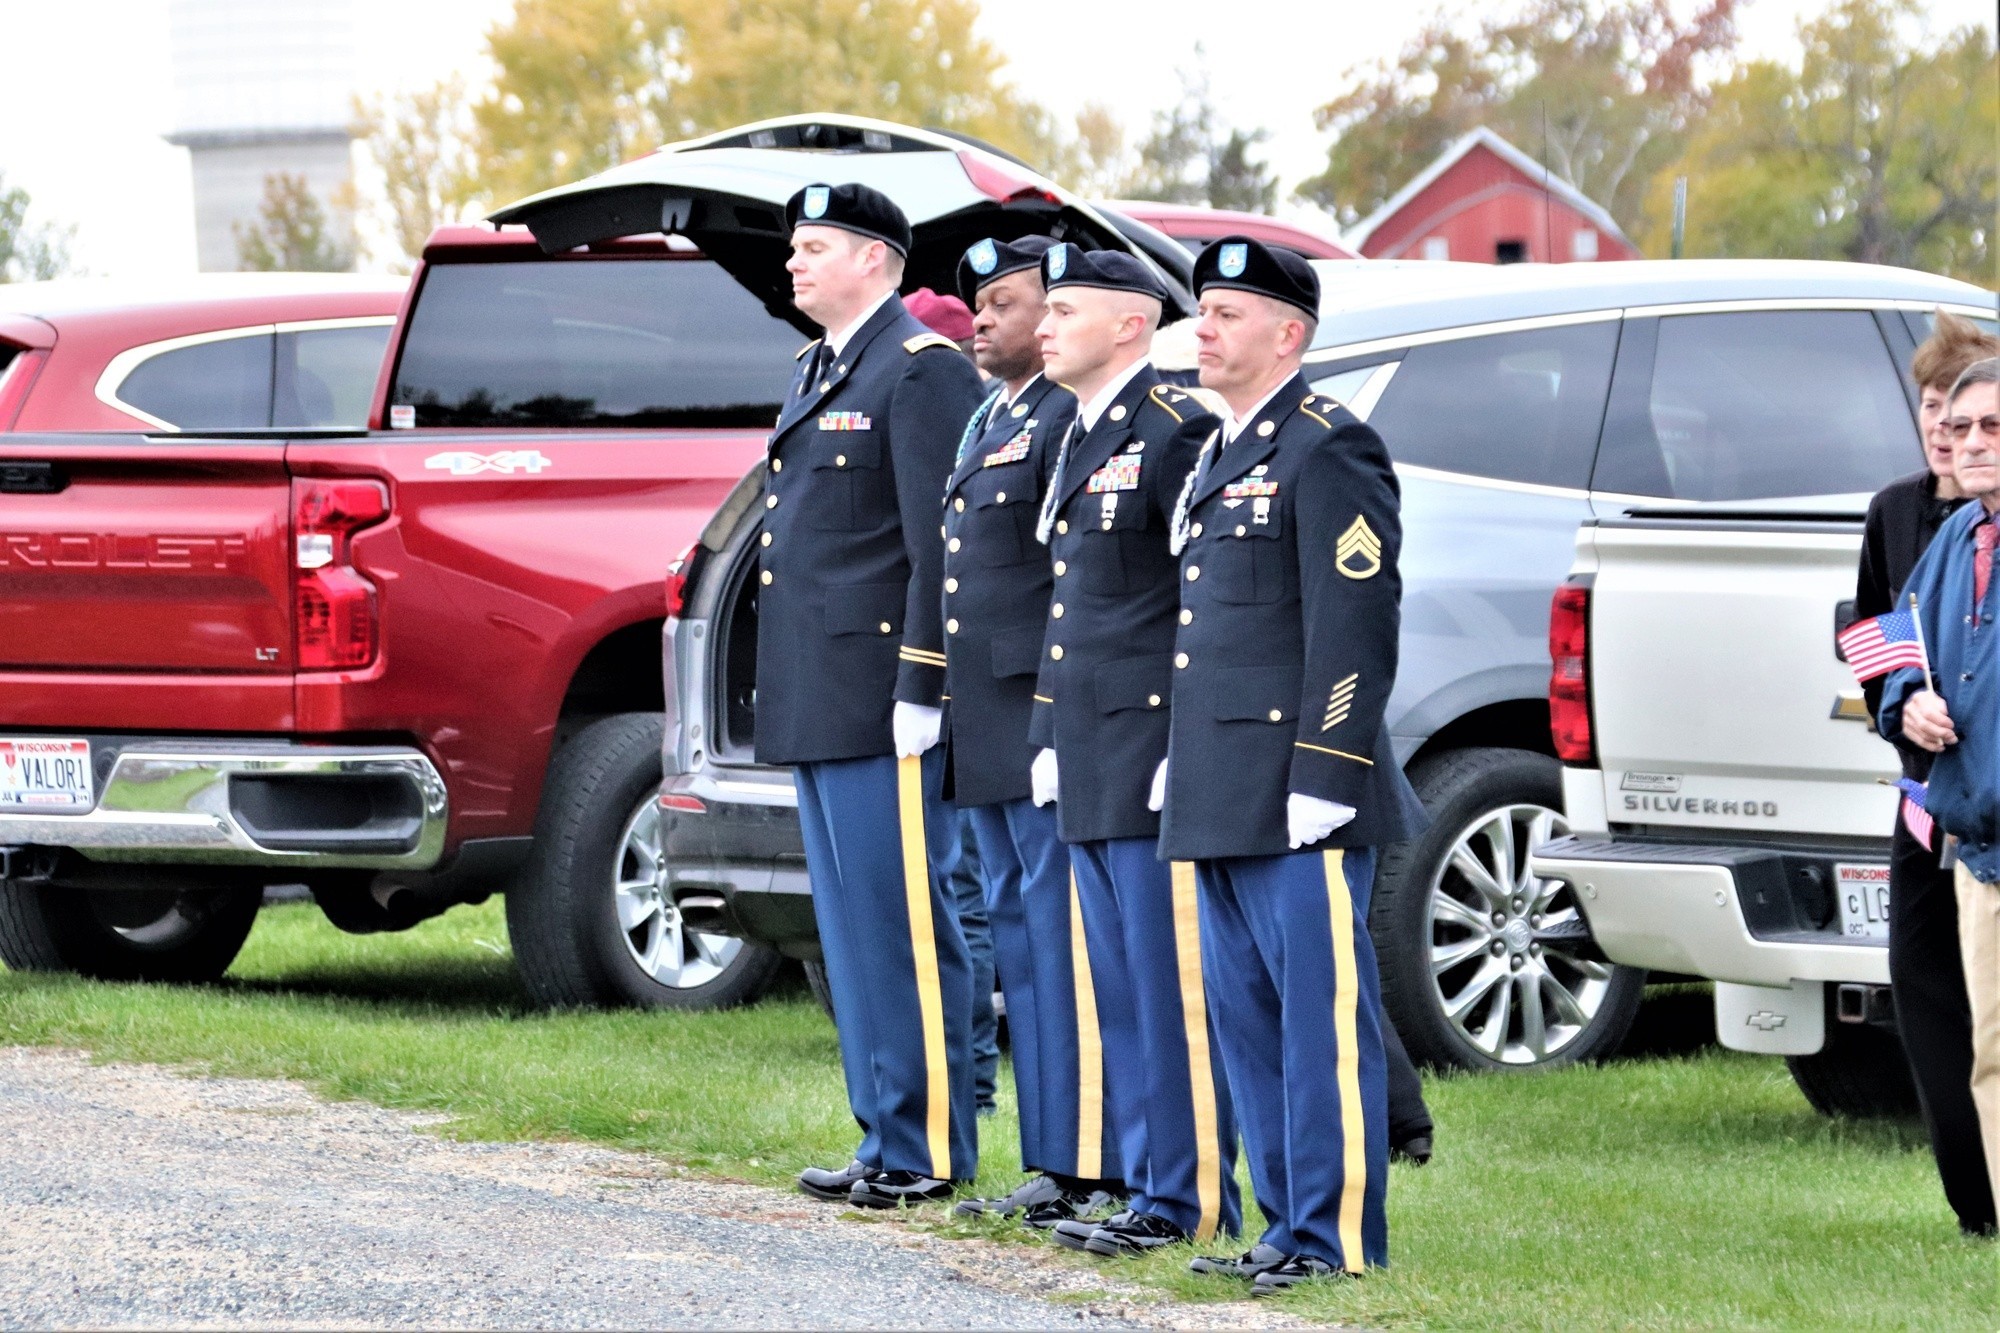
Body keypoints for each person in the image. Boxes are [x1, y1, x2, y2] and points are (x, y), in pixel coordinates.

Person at [1161, 237, 1428, 1294]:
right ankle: (1282, 1222)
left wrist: (1326, 763)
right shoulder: (1220, 449)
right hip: (1222, 787)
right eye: (1202, 312)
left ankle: (1334, 1231)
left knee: (1315, 1019)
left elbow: (1354, 624)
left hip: (1296, 787)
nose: (1204, 329)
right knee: (1246, 1019)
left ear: (1289, 335)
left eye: (1227, 313)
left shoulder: (1328, 448)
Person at [759, 181, 987, 1208]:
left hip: (882, 691)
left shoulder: (918, 370)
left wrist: (924, 681)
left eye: (815, 246)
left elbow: (941, 539)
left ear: (875, 259)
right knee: (849, 926)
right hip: (821, 691)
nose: (795, 261)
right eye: (795, 246)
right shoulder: (821, 366)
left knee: (901, 917)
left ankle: (931, 1140)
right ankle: (883, 1131)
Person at [1026, 243, 1243, 1257]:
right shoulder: (1077, 434)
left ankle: (1191, 1195)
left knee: (1168, 988)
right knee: (1118, 985)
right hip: (1087, 745)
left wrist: (1179, 740)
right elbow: (1068, 606)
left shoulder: (1172, 430)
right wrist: (1044, 732)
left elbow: (1196, 604)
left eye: (1064, 308)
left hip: (1146, 743)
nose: (1043, 324)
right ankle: (1150, 1185)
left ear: (1126, 324)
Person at [938, 236, 1126, 1228]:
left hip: (1038, 712)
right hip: (991, 716)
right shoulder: (995, 417)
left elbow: (1071, 580)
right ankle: (1053, 1157)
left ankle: (1091, 1157)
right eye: (983, 305)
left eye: (1011, 304)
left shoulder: (1066, 419)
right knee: (1019, 938)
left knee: (1062, 939)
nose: (990, 321)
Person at [1855, 312, 1998, 1237]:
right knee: (1955, 1020)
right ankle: (1976, 1206)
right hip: (1935, 808)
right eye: (1940, 415)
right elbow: (1878, 631)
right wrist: (1901, 698)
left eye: (1975, 418)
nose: (1952, 434)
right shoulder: (1911, 519)